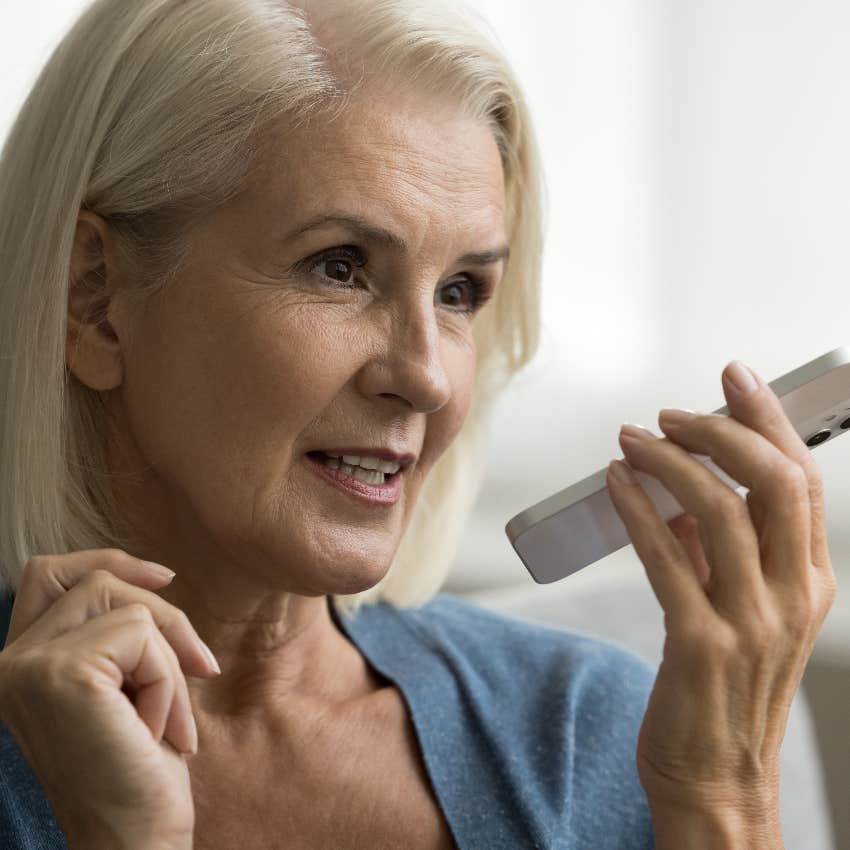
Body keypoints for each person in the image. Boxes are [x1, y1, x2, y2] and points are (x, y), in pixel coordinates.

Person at [0, 0, 836, 848]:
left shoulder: (599, 738)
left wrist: (721, 798)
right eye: (341, 268)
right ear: (94, 300)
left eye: (460, 292)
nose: (428, 378)